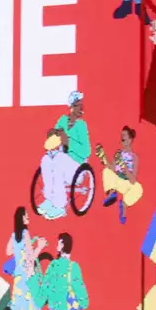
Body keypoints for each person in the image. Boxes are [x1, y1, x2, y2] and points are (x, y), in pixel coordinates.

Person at [2, 206, 47, 310]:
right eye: (26, 215)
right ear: (21, 218)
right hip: (27, 274)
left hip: (18, 275)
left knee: (18, 303)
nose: (29, 217)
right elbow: (30, 258)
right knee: (35, 297)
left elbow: (8, 251)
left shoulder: (14, 234)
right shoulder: (26, 233)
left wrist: (18, 251)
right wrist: (39, 247)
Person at [38, 91, 90, 219]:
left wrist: (69, 142)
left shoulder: (81, 126)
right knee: (46, 159)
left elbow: (86, 151)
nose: (81, 108)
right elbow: (53, 136)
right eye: (78, 105)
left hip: (76, 167)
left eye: (81, 105)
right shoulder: (62, 120)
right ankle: (50, 199)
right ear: (71, 107)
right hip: (60, 161)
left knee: (59, 158)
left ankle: (60, 206)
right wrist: (54, 134)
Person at [96, 126, 143, 223]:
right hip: (117, 181)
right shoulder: (118, 153)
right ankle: (112, 194)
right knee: (106, 171)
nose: (122, 137)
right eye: (121, 135)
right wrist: (103, 158)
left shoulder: (134, 157)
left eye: (124, 135)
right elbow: (112, 168)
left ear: (130, 139)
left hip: (127, 183)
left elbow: (133, 180)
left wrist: (125, 168)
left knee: (138, 188)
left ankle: (124, 206)